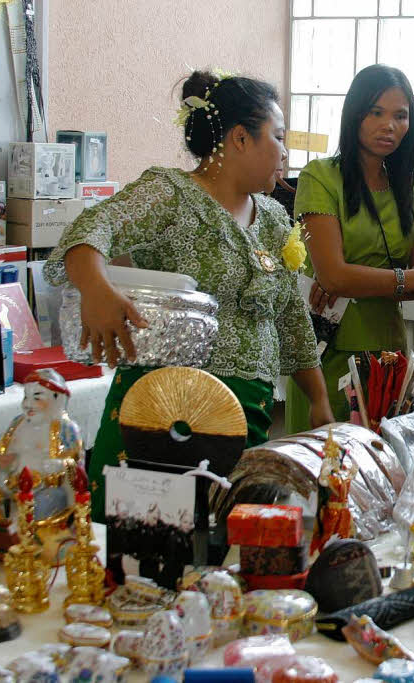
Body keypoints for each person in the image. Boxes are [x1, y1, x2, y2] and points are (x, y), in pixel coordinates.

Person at [44, 70, 333, 520]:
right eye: (277, 136)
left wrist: (318, 401)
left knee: (220, 554)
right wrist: (97, 289)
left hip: (243, 417)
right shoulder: (171, 195)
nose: (285, 151)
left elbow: (290, 317)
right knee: (139, 552)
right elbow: (90, 229)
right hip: (162, 412)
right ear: (240, 139)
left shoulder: (274, 218)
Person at [289, 64, 414, 428]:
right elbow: (334, 275)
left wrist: (392, 281)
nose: (389, 125)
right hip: (328, 346)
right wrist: (405, 280)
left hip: (389, 351)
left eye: (400, 115)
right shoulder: (320, 176)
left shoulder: (412, 190)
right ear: (355, 113)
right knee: (323, 465)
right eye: (376, 112)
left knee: (380, 467)